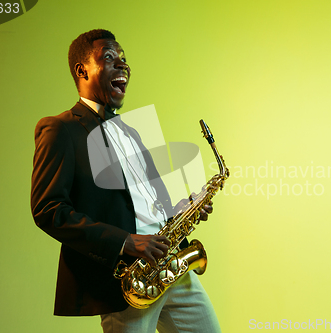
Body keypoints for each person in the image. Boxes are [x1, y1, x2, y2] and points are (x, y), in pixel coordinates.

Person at [30, 29, 221, 333]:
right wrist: (126, 242)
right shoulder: (59, 129)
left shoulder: (131, 131)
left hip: (173, 265)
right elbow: (49, 210)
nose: (122, 65)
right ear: (83, 70)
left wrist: (180, 209)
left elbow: (144, 202)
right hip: (128, 280)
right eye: (109, 57)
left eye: (123, 59)